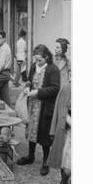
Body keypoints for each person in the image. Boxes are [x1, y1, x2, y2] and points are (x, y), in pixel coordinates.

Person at [17, 44, 61, 176]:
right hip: (32, 105)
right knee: (31, 130)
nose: (37, 62)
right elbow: (29, 80)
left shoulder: (53, 70)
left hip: (45, 106)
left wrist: (37, 92)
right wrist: (28, 86)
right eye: (36, 60)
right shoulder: (33, 66)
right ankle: (30, 156)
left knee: (44, 134)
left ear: (47, 57)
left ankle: (45, 162)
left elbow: (55, 88)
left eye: (40, 60)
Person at [0, 31, 13, 106]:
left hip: (3, 73)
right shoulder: (5, 47)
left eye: (0, 38)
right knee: (5, 97)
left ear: (4, 38)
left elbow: (1, 64)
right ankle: (10, 111)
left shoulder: (4, 48)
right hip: (5, 73)